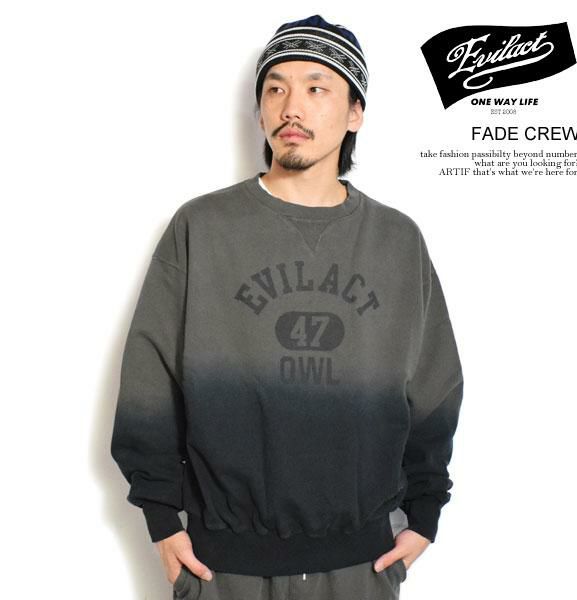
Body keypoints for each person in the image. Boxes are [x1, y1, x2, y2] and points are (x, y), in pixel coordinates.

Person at [110, 14, 464, 600]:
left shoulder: (397, 241)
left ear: (355, 112)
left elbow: (435, 384)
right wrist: (160, 518)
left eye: (316, 88)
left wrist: (425, 513)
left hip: (361, 565)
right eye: (275, 89)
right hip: (223, 566)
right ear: (260, 110)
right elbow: (151, 373)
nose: (291, 107)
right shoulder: (203, 227)